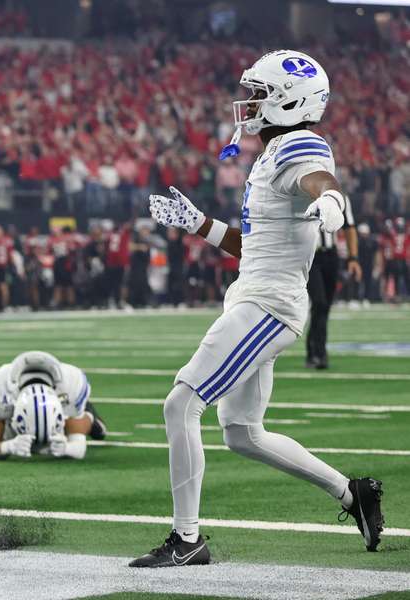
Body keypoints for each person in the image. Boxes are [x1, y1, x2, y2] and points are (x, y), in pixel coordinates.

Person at [131, 51, 383, 568]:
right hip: (257, 295)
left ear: (291, 101)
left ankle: (186, 539)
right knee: (242, 433)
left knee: (181, 403)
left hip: (269, 306)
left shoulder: (297, 145)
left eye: (260, 94)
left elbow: (323, 181)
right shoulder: (271, 155)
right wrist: (200, 224)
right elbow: (256, 246)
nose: (249, 103)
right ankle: (352, 494)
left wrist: (332, 203)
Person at [0, 351, 109, 459]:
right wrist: (8, 446)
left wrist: (68, 449)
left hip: (65, 404)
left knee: (99, 433)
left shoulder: (71, 385)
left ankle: (91, 418)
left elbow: (79, 448)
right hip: (7, 411)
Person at [306, 194, 360, 369]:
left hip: (331, 255)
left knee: (325, 306)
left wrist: (353, 258)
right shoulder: (302, 193)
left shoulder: (340, 196)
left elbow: (349, 227)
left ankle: (313, 349)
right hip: (309, 256)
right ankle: (319, 353)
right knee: (319, 302)